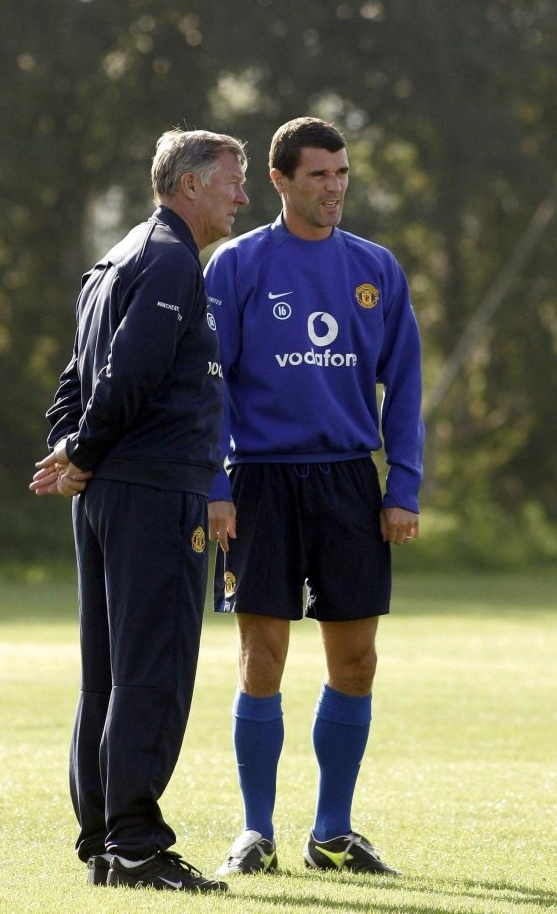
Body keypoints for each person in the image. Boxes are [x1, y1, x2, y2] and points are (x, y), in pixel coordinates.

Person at [29, 128, 248, 892]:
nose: (243, 196)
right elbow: (128, 371)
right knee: (151, 671)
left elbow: (71, 381)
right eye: (233, 181)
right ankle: (136, 845)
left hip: (107, 496)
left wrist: (71, 451)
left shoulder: (117, 258)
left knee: (109, 675)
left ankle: (104, 842)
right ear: (189, 185)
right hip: (153, 493)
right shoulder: (170, 260)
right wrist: (82, 454)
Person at [205, 116, 424, 878]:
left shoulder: (377, 268)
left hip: (347, 484)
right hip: (260, 482)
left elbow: (405, 389)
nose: (333, 188)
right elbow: (211, 390)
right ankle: (254, 833)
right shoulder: (234, 267)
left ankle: (333, 833)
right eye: (318, 176)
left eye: (341, 175)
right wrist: (215, 485)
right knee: (261, 656)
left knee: (355, 661)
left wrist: (404, 486)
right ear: (280, 180)